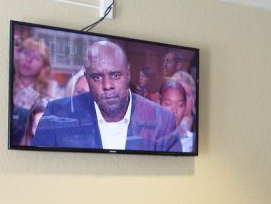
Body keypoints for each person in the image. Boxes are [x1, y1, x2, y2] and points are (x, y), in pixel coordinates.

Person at [32, 41, 181, 152]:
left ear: (128, 74)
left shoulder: (163, 120)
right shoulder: (56, 114)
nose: (107, 85)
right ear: (87, 78)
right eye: (96, 77)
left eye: (115, 75)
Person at [12, 38, 52, 109]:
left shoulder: (49, 95)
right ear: (17, 55)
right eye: (26, 53)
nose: (29, 60)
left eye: (36, 58)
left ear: (43, 66)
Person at [159, 79, 194, 153]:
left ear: (185, 107)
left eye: (180, 105)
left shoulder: (193, 141)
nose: (174, 110)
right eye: (168, 104)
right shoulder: (147, 138)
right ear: (159, 103)